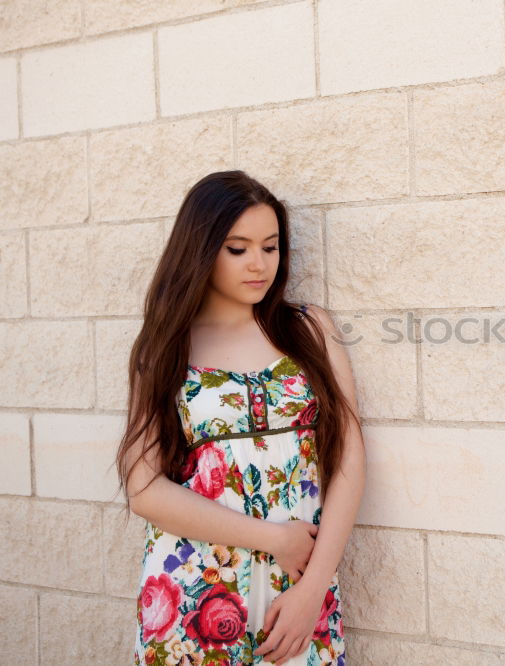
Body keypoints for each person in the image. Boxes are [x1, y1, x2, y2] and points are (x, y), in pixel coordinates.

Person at [115, 170, 366, 665]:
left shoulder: (309, 329)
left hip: (298, 588)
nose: (259, 264)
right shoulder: (165, 347)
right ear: (200, 249)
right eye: (238, 249)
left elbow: (349, 460)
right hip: (193, 586)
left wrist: (315, 587)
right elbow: (144, 489)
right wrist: (275, 540)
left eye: (270, 247)